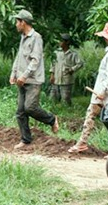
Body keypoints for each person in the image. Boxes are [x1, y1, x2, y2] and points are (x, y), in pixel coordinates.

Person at [10, 9, 59, 150]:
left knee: (30, 107)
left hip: (33, 80)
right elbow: (19, 57)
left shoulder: (36, 38)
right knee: (20, 112)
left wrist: (24, 75)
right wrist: (13, 73)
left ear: (23, 22)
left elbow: (35, 60)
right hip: (21, 80)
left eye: (17, 22)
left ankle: (51, 119)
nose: (16, 25)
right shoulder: (23, 37)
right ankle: (26, 140)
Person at [68, 22, 108, 154]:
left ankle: (82, 142)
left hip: (103, 91)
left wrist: (103, 91)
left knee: (98, 117)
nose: (104, 38)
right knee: (91, 114)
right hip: (101, 91)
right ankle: (82, 142)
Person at [49, 33, 84, 106]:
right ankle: (53, 110)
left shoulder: (73, 54)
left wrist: (72, 69)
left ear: (67, 42)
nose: (60, 43)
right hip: (56, 78)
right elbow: (53, 64)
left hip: (66, 79)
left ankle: (67, 110)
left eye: (61, 41)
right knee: (52, 98)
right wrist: (52, 75)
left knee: (65, 98)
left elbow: (80, 63)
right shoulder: (57, 52)